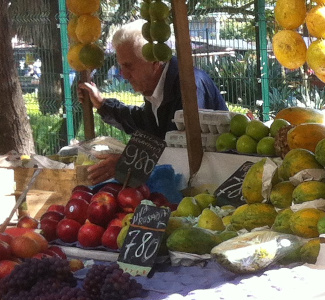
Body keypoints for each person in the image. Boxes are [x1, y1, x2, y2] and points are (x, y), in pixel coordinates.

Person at [78, 21, 227, 181]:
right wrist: (102, 104)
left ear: (154, 62)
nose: (124, 75)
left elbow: (185, 153)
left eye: (129, 66)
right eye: (121, 66)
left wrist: (128, 164)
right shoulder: (156, 85)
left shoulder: (189, 87)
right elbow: (143, 124)